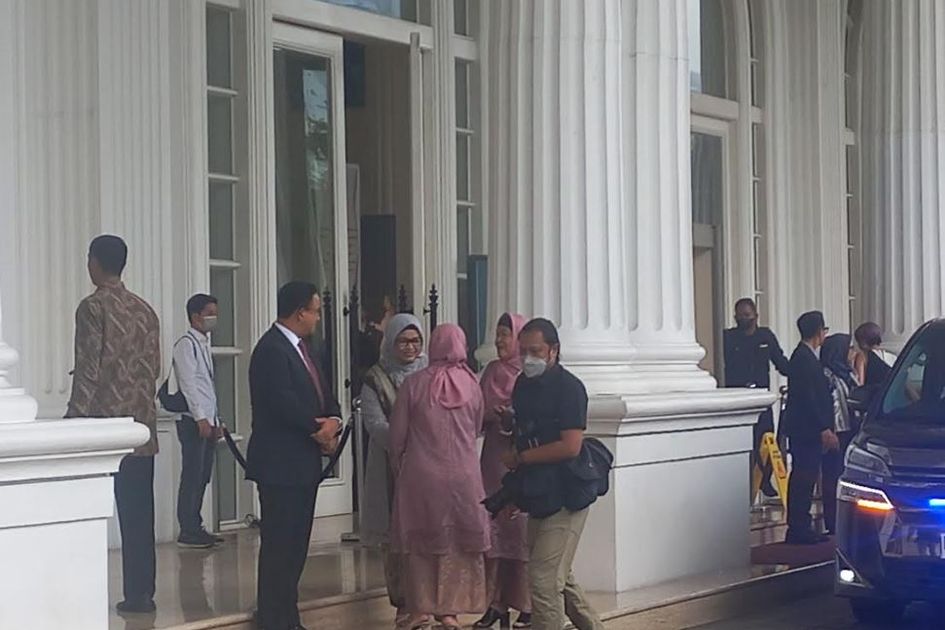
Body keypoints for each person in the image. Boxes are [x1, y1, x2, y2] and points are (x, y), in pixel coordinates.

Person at [66, 235, 162, 614]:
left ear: (94, 262)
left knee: (86, 513)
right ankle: (142, 593)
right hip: (141, 427)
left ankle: (79, 590)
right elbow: (154, 369)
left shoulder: (92, 308)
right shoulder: (145, 310)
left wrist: (74, 420)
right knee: (140, 516)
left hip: (104, 430)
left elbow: (88, 369)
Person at [246, 281, 343, 630]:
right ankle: (273, 619)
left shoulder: (304, 349)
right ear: (300, 312)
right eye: (315, 311)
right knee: (279, 547)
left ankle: (289, 617)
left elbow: (323, 394)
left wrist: (334, 421)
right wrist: (317, 430)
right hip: (280, 465)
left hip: (303, 465)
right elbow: (282, 402)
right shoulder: (271, 350)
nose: (318, 318)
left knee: (296, 547)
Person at [501, 318, 605, 630]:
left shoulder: (569, 388)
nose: (527, 359)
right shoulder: (522, 385)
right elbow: (522, 433)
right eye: (523, 351)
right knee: (559, 577)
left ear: (553, 351)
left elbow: (570, 446)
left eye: (535, 351)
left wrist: (522, 457)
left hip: (567, 492)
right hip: (538, 492)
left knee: (544, 581)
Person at [388, 324, 490, 630]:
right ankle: (450, 612)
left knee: (420, 541)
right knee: (456, 543)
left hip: (422, 476)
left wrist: (398, 465)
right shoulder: (472, 384)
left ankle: (420, 609)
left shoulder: (414, 384)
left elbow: (397, 436)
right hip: (464, 475)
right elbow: (477, 427)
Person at [359, 313, 428, 628]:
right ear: (390, 343)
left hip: (426, 467)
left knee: (425, 536)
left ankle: (426, 602)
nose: (410, 347)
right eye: (403, 341)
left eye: (416, 341)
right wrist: (409, 441)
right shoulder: (375, 378)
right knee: (394, 539)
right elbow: (375, 424)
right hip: (390, 464)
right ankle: (403, 605)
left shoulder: (429, 374)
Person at [475, 313, 532, 630]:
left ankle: (526, 603)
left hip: (520, 460)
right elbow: (476, 412)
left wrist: (512, 418)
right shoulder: (491, 372)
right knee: (494, 531)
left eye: (504, 334)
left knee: (519, 529)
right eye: (497, 334)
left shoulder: (528, 375)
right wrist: (490, 415)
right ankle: (495, 603)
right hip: (493, 460)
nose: (498, 341)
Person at [722, 298, 790, 497]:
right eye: (739, 315)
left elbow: (781, 362)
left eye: (747, 315)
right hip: (737, 397)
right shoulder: (728, 338)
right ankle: (743, 483)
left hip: (761, 397)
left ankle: (765, 480)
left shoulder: (765, 336)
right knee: (742, 443)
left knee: (767, 439)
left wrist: (799, 373)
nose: (743, 319)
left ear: (756, 316)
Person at [781, 311, 839, 545]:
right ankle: (798, 527)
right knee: (803, 478)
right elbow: (809, 398)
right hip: (806, 431)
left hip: (807, 430)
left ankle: (801, 525)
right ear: (818, 332)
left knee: (806, 477)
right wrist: (823, 427)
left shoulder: (805, 357)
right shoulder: (803, 359)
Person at [173, 293, 225, 549]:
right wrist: (200, 418)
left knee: (203, 474)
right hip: (193, 421)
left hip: (207, 418)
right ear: (195, 317)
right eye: (209, 314)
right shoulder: (186, 345)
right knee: (192, 474)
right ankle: (188, 528)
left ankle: (196, 523)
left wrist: (216, 419)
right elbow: (189, 384)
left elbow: (208, 388)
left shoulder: (203, 344)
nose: (213, 319)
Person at [820, 333, 860, 536]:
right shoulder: (826, 375)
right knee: (832, 476)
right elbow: (831, 404)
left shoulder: (848, 373)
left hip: (851, 430)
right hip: (836, 432)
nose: (853, 353)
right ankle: (833, 521)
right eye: (849, 348)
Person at [853, 321, 894, 388]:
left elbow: (860, 385)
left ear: (863, 343)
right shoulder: (888, 356)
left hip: (873, 392)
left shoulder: (862, 357)